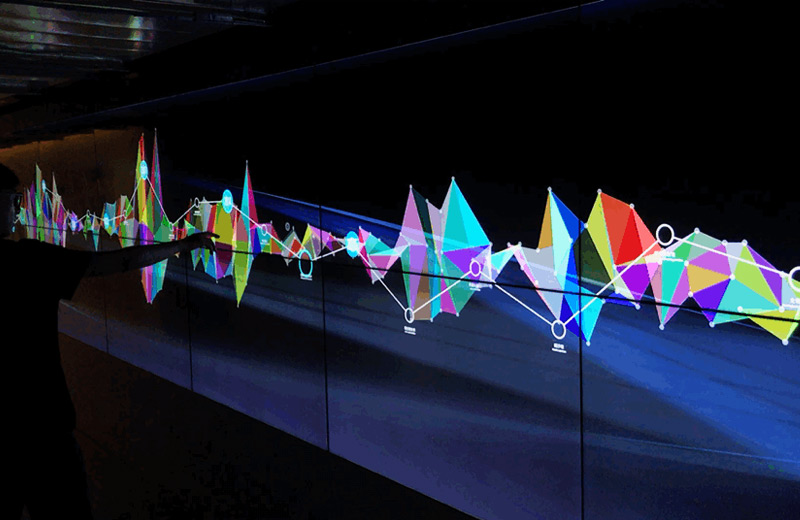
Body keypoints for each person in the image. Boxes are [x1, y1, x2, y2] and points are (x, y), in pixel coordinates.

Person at [0, 163, 216, 519]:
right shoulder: (28, 261)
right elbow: (118, 261)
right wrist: (180, 246)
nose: (17, 208)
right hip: (45, 435)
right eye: (10, 200)